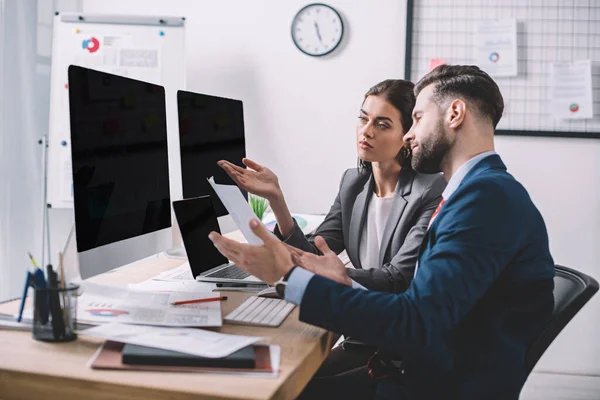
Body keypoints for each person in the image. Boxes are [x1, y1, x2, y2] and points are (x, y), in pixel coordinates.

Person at [209, 65, 555, 400]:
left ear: (454, 114)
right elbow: (427, 309)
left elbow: (415, 322)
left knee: (263, 390)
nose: (409, 134)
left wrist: (287, 275)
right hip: (417, 370)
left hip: (433, 386)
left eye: (417, 118)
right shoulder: (474, 192)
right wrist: (340, 281)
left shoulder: (483, 199)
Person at [218, 79, 445, 294]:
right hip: (357, 308)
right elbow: (314, 252)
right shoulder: (352, 182)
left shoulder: (430, 189)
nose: (366, 131)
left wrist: (327, 272)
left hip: (396, 318)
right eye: (363, 118)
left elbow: (398, 278)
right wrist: (276, 199)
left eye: (382, 124)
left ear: (407, 135)